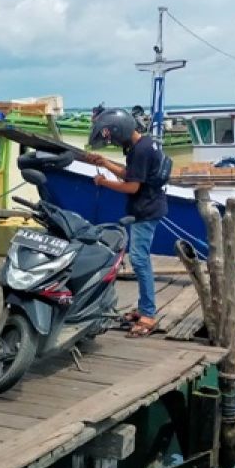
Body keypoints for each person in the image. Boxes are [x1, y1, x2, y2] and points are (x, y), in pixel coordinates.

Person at [81, 109, 168, 337]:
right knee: (140, 259)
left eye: (112, 138)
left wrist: (103, 181)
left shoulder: (141, 150)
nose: (112, 142)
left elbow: (132, 187)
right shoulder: (143, 145)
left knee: (139, 260)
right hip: (147, 207)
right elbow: (131, 174)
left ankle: (148, 314)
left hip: (146, 211)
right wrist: (105, 163)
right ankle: (143, 308)